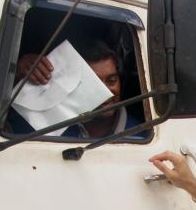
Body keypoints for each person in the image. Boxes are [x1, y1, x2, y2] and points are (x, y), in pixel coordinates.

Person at [11, 39, 144, 138]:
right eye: (94, 83)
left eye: (112, 81)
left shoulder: (141, 134)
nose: (106, 91)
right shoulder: (49, 124)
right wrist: (17, 76)